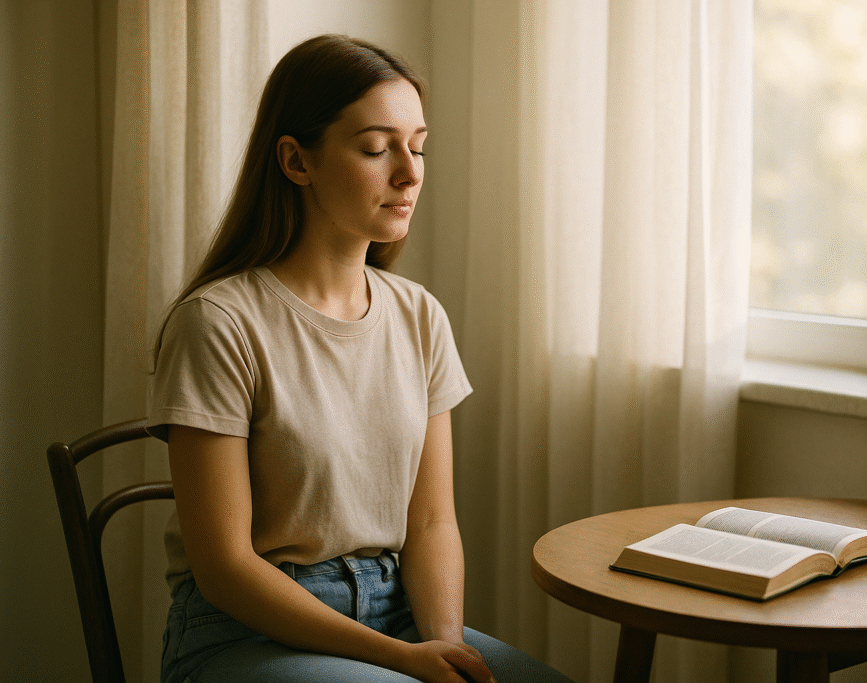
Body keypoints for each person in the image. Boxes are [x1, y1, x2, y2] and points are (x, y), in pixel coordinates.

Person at [148, 34, 572, 683]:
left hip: (397, 611)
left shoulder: (420, 315)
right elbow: (225, 566)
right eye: (377, 148)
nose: (410, 171)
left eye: (418, 145)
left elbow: (431, 522)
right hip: (244, 634)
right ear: (296, 161)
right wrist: (400, 659)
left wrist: (443, 647)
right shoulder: (219, 325)